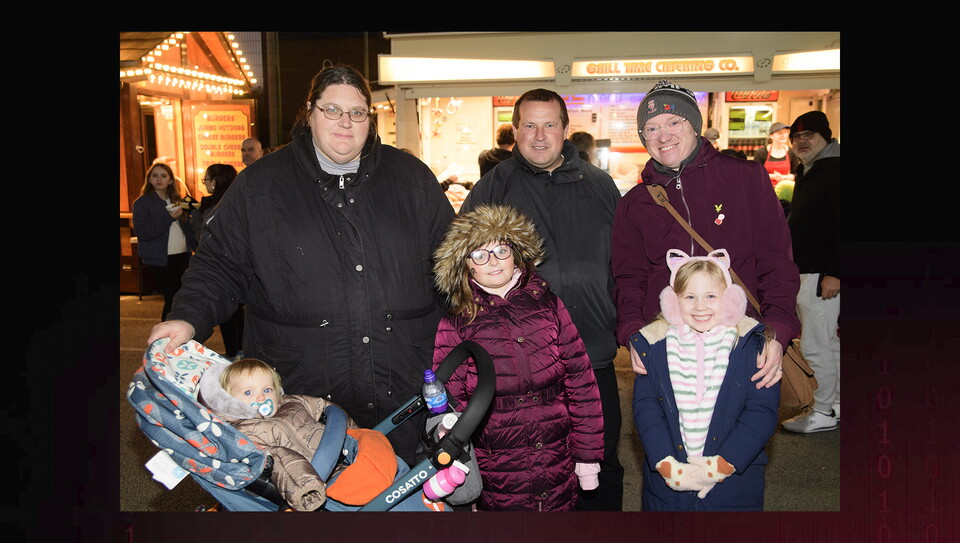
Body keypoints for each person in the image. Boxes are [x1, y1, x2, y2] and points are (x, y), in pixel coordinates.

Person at [147, 65, 456, 466]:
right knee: (311, 501)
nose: (345, 122)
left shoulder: (411, 178)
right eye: (331, 109)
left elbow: (454, 263)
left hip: (405, 390)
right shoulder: (261, 185)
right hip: (300, 397)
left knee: (403, 503)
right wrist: (186, 319)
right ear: (309, 112)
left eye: (357, 112)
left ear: (370, 119)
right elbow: (219, 266)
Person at [459, 88, 624, 511]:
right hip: (523, 367)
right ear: (514, 130)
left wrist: (625, 321)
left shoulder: (601, 185)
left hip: (593, 348)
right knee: (532, 469)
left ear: (566, 130)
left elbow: (625, 264)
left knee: (601, 461)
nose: (539, 135)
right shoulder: (491, 190)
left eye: (549, 125)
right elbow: (466, 275)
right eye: (529, 125)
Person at [612, 79, 798, 393]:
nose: (664, 136)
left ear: (695, 125)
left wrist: (777, 329)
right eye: (652, 128)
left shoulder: (746, 179)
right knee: (667, 438)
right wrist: (633, 333)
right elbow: (629, 277)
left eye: (674, 122)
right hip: (667, 350)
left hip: (743, 344)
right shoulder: (635, 203)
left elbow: (776, 261)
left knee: (743, 437)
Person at [431, 204, 604, 511]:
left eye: (501, 249)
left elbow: (581, 380)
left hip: (556, 454)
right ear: (465, 264)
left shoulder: (548, 304)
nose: (493, 261)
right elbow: (449, 402)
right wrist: (463, 468)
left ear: (517, 253)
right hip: (497, 462)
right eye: (479, 254)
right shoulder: (457, 321)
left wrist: (587, 455)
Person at [630, 249, 779, 511]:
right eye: (689, 297)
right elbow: (646, 408)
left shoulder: (751, 347)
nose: (700, 306)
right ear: (673, 303)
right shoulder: (654, 347)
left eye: (711, 296)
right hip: (668, 488)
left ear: (730, 300)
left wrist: (720, 466)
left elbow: (760, 412)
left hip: (733, 487)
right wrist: (666, 464)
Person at [201, 358, 427, 511]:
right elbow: (280, 461)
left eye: (267, 389)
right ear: (229, 400)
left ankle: (408, 493)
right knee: (372, 491)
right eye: (248, 392)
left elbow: (326, 408)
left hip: (344, 455)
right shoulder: (243, 433)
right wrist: (305, 488)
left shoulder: (291, 403)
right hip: (316, 479)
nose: (261, 398)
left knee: (379, 449)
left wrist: (352, 432)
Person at [781, 111, 841, 434]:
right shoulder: (811, 169)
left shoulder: (834, 169)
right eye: (797, 137)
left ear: (827, 138)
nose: (802, 141)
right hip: (811, 273)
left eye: (810, 136)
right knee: (828, 343)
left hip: (821, 276)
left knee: (816, 344)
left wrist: (835, 272)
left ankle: (821, 409)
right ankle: (835, 403)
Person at [191, 164, 245, 361]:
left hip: (222, 266)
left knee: (227, 311)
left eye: (206, 179)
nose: (205, 183)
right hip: (240, 264)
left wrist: (194, 215)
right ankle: (239, 350)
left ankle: (232, 353)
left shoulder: (213, 206)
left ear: (214, 182)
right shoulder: (237, 199)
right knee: (238, 310)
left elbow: (201, 236)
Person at [133, 162, 197, 322]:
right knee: (172, 297)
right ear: (149, 179)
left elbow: (194, 220)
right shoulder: (142, 203)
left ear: (170, 180)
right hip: (160, 258)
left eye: (163, 176)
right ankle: (166, 337)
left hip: (183, 255)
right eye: (154, 176)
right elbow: (143, 232)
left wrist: (198, 250)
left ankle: (177, 334)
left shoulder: (178, 199)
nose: (158, 179)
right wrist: (168, 218)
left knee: (182, 297)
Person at [752, 122, 798, 188]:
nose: (783, 135)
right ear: (771, 136)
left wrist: (784, 177)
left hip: (784, 190)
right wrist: (772, 176)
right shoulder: (761, 152)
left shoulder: (792, 152)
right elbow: (755, 175)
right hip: (764, 189)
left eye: (785, 132)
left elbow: (796, 175)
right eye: (780, 133)